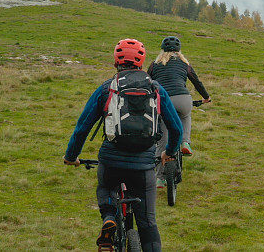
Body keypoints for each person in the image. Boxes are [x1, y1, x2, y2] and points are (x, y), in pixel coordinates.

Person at [63, 38, 183, 252]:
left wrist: (71, 156)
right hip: (144, 166)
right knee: (148, 224)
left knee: (106, 187)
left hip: (111, 161)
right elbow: (176, 128)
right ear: (142, 62)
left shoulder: (107, 89)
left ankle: (109, 217)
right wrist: (170, 152)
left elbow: (82, 128)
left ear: (115, 62)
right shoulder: (156, 89)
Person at [148, 36, 210, 164]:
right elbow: (196, 82)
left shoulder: (154, 65)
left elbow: (147, 83)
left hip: (164, 101)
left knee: (163, 137)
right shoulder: (184, 64)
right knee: (185, 115)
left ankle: (159, 178)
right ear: (179, 50)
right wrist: (206, 97)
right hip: (183, 99)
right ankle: (185, 142)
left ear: (162, 50)